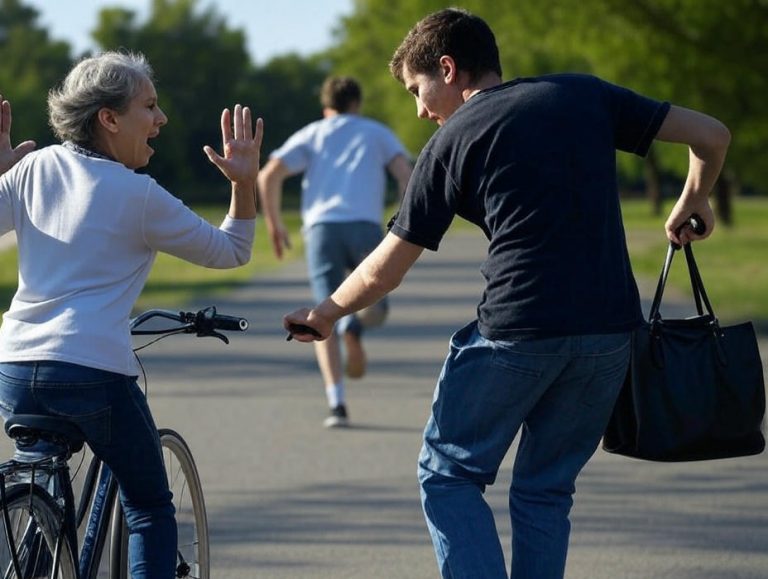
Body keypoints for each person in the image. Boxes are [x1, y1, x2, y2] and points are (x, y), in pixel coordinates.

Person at [284, 8, 730, 578]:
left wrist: (326, 313)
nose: (420, 110)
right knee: (545, 490)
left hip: (516, 332)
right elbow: (712, 135)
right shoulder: (584, 94)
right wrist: (695, 196)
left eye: (419, 91)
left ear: (447, 69)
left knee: (448, 475)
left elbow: (385, 269)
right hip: (610, 333)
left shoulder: (453, 140)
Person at [0, 51, 263, 578]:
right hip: (91, 370)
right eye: (150, 105)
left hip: (14, 367)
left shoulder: (34, 167)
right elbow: (231, 250)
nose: (161, 119)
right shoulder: (140, 195)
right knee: (149, 507)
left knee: (47, 472)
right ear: (109, 118)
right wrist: (243, 183)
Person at [259, 75, 412, 428]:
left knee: (319, 315)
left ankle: (337, 405)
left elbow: (269, 176)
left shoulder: (312, 133)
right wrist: (401, 217)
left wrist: (275, 225)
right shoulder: (376, 132)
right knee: (377, 305)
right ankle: (354, 328)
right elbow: (406, 173)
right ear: (357, 102)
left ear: (326, 106)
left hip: (322, 229)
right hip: (365, 227)